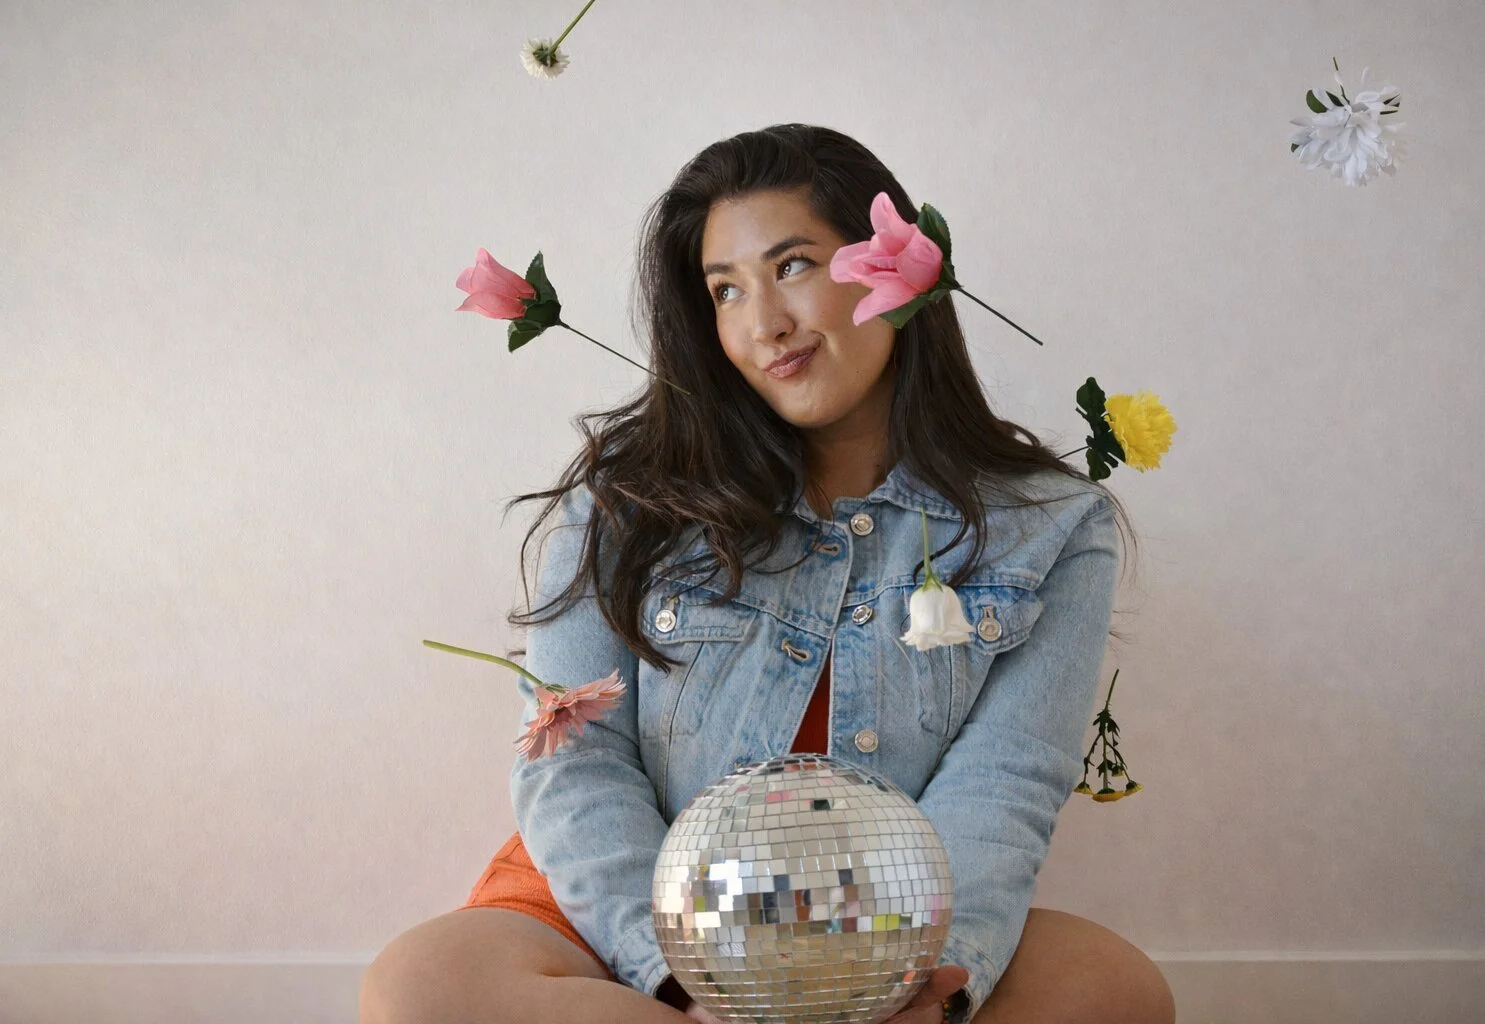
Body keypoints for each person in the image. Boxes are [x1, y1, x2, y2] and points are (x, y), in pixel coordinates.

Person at [360, 124, 1174, 1024]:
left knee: (1116, 990)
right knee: (418, 989)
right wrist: (680, 979)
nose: (764, 324)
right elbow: (575, 764)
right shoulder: (626, 500)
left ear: (895, 271)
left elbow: (1004, 786)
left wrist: (920, 984)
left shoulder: (1052, 526)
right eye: (726, 290)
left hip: (880, 917)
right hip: (626, 905)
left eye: (792, 266)